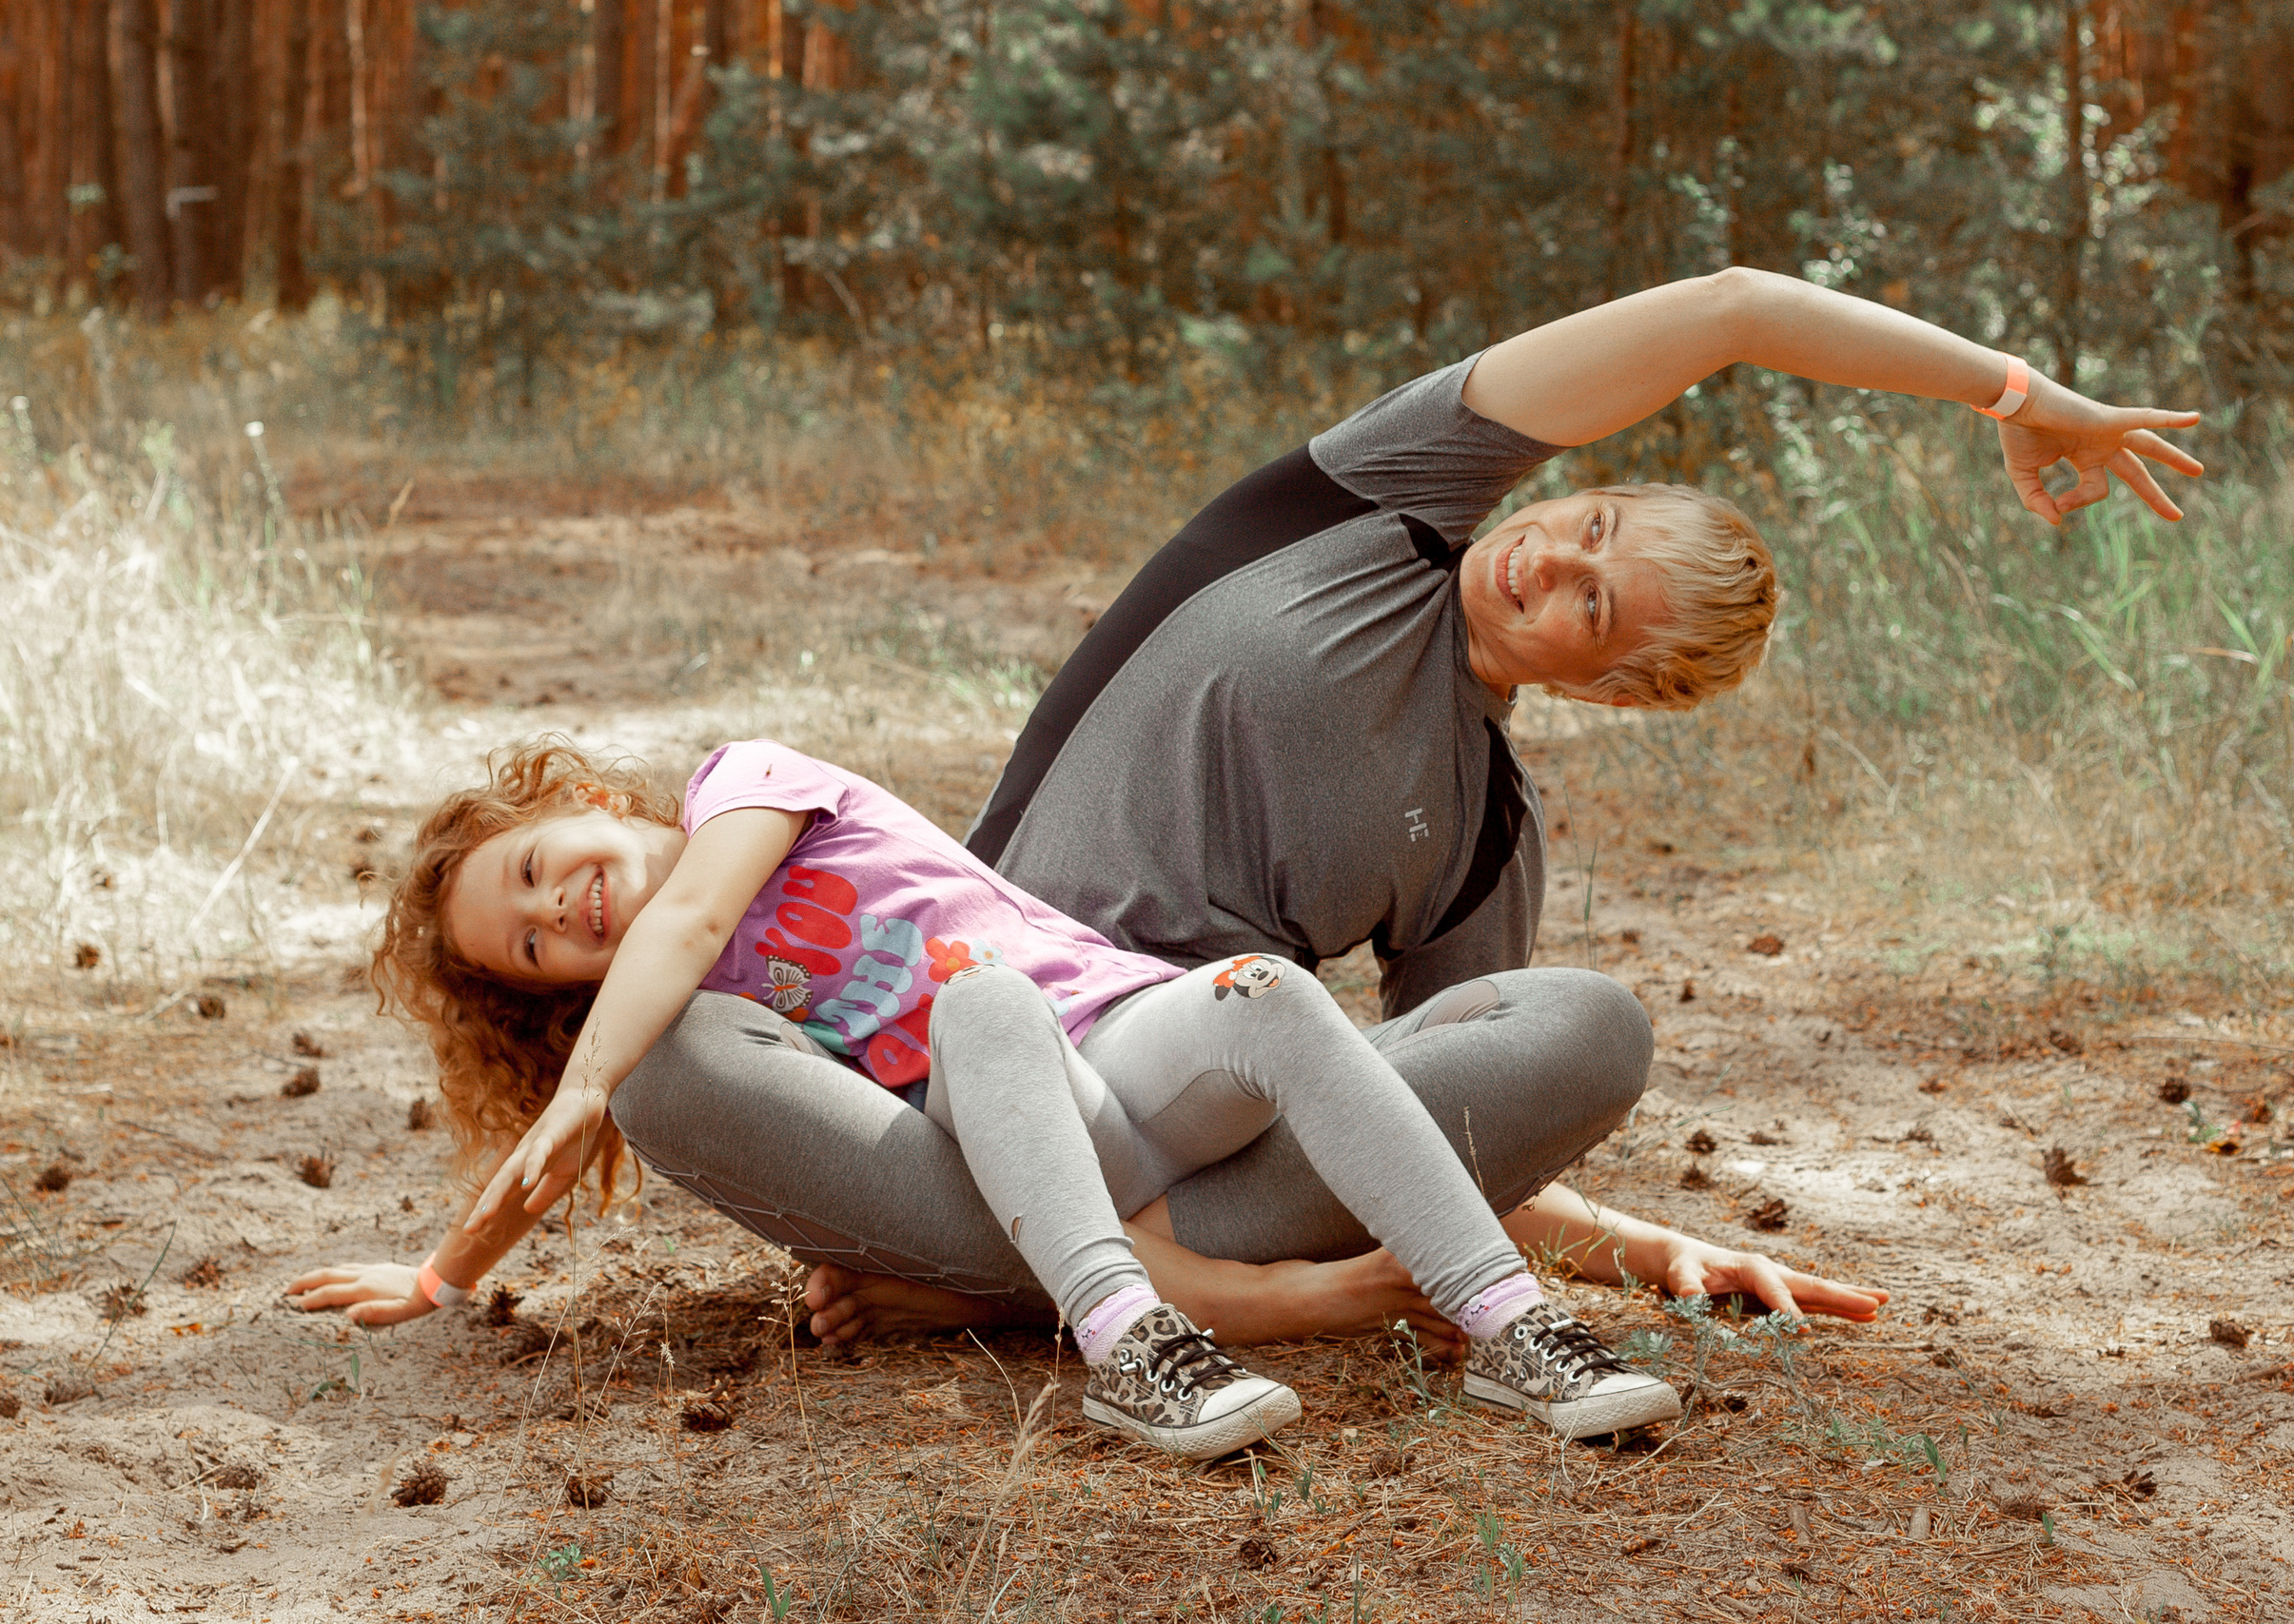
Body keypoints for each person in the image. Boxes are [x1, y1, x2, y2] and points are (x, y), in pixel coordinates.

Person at [596, 266, 2200, 1355]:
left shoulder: (1486, 823)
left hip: (1186, 1137)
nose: (1545, 559)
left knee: (1583, 1029)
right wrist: (2017, 391)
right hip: (952, 1075)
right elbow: (1729, 311)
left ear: (1619, 689)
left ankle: (1017, 1282)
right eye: (1585, 524)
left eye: (1590, 604)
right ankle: (1096, 1282)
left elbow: (1420, 1117)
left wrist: (1648, 1251)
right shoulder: (1366, 505)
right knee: (665, 1063)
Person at [287, 735, 1691, 1455]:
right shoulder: (694, 1030)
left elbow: (696, 907)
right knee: (979, 1004)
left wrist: (582, 1082)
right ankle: (1139, 1352)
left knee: (1270, 989)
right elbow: (871, 1162)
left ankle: (1513, 1324)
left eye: (538, 864)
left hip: (1145, 1058)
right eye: (529, 947)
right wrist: (446, 1270)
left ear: (586, 796)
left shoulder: (750, 783)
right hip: (1015, 1130)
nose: (560, 909)